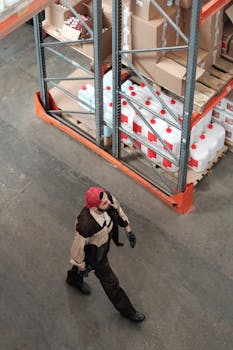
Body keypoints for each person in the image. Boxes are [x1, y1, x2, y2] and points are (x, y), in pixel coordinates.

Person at [66, 187, 145, 323]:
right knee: (111, 282)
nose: (108, 203)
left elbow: (117, 210)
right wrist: (81, 266)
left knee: (82, 268)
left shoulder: (106, 199)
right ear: (95, 208)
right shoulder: (85, 225)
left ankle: (73, 279)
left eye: (107, 200)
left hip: (103, 245)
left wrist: (128, 230)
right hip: (94, 254)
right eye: (104, 203)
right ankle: (127, 310)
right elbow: (77, 249)